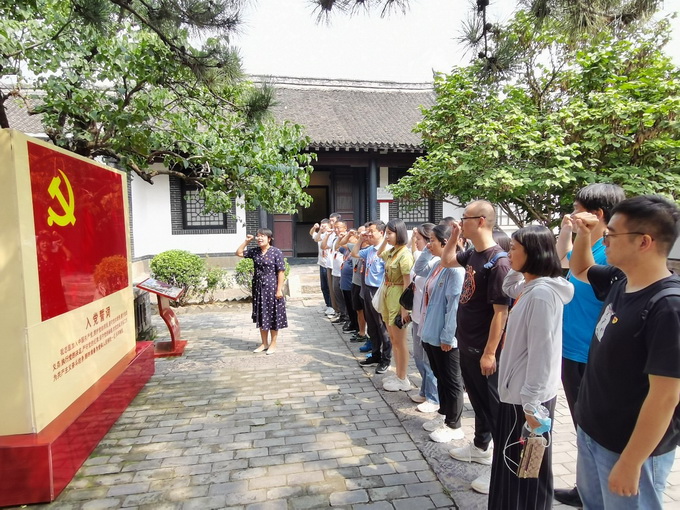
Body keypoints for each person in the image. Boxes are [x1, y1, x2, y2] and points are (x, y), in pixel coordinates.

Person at [569, 195, 680, 510]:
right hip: (593, 431)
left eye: (611, 234)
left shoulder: (668, 307)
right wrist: (583, 234)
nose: (604, 240)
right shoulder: (621, 279)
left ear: (644, 242)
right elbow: (580, 269)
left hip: (629, 448)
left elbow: (665, 397)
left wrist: (632, 461)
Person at [488, 225, 574, 509]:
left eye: (514, 249)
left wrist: (531, 405)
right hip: (519, 393)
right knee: (517, 467)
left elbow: (542, 353)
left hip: (526, 399)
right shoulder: (531, 286)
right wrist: (520, 267)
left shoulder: (541, 295)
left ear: (534, 253)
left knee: (524, 470)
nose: (508, 254)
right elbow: (508, 287)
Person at [553, 183, 625, 508]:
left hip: (589, 355)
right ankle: (584, 489)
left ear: (597, 214)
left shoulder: (610, 255)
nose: (571, 213)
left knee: (593, 429)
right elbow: (563, 259)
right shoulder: (590, 246)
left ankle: (596, 493)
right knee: (582, 428)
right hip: (571, 351)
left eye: (577, 209)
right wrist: (569, 230)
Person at [440, 200, 512, 494]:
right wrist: (455, 236)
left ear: (481, 221)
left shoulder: (499, 262)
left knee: (494, 409)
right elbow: (446, 260)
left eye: (465, 218)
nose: (461, 222)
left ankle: (502, 471)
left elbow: (501, 313)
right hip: (467, 343)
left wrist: (490, 353)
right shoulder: (472, 254)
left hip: (484, 350)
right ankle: (480, 446)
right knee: (479, 404)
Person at [417, 224, 466, 442]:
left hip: (444, 336)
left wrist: (448, 336)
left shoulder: (455, 269)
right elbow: (419, 269)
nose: (429, 244)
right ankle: (444, 415)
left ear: (445, 243)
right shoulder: (438, 264)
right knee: (440, 376)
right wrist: (429, 251)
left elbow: (454, 305)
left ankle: (454, 425)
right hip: (430, 332)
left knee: (451, 380)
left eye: (432, 241)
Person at [236, 228, 288, 354]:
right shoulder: (255, 251)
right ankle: (264, 343)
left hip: (272, 287)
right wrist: (246, 242)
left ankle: (273, 344)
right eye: (258, 236)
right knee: (261, 315)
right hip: (258, 288)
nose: (259, 238)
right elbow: (239, 253)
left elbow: (281, 272)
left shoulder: (276, 252)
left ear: (269, 239)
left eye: (262, 236)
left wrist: (279, 290)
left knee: (273, 315)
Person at [377, 219, 415, 392]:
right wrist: (385, 240)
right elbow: (379, 253)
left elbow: (407, 283)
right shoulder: (392, 251)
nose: (387, 236)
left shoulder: (405, 254)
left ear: (399, 233)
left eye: (390, 233)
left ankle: (403, 377)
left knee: (400, 341)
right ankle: (398, 373)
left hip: (398, 297)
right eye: (386, 233)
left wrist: (404, 308)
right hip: (388, 295)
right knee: (393, 339)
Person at [408, 223, 440, 411]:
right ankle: (425, 390)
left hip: (428, 319)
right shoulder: (421, 257)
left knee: (428, 361)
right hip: (417, 316)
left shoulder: (437, 262)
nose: (416, 242)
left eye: (419, 239)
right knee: (419, 359)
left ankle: (434, 398)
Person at [352, 221, 391, 374]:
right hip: (367, 289)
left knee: (382, 326)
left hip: (379, 291)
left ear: (381, 233)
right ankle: (375, 354)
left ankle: (386, 359)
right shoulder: (369, 250)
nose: (368, 234)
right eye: (367, 231)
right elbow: (354, 253)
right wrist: (360, 240)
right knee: (372, 325)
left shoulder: (386, 251)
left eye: (371, 231)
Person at [311, 219, 334, 316]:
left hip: (329, 264)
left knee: (330, 286)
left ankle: (332, 306)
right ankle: (328, 304)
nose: (323, 227)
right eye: (322, 225)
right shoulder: (321, 235)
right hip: (322, 263)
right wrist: (318, 229)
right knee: (324, 286)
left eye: (325, 226)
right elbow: (315, 237)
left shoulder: (332, 235)